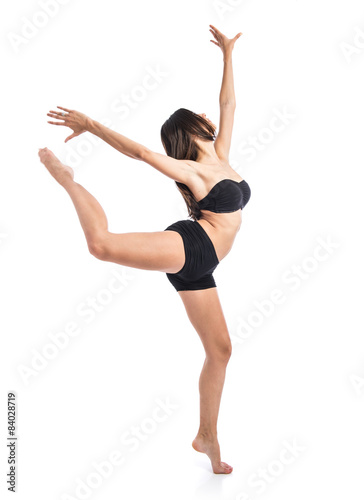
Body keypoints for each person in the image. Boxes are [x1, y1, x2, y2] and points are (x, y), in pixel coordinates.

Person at [38, 25, 249, 474]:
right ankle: (69, 181)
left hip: (202, 266)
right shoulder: (191, 171)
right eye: (204, 121)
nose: (213, 122)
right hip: (192, 246)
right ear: (196, 128)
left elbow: (228, 103)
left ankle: (207, 436)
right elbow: (139, 153)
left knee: (221, 351)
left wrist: (228, 54)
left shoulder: (222, 155)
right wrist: (92, 125)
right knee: (102, 245)